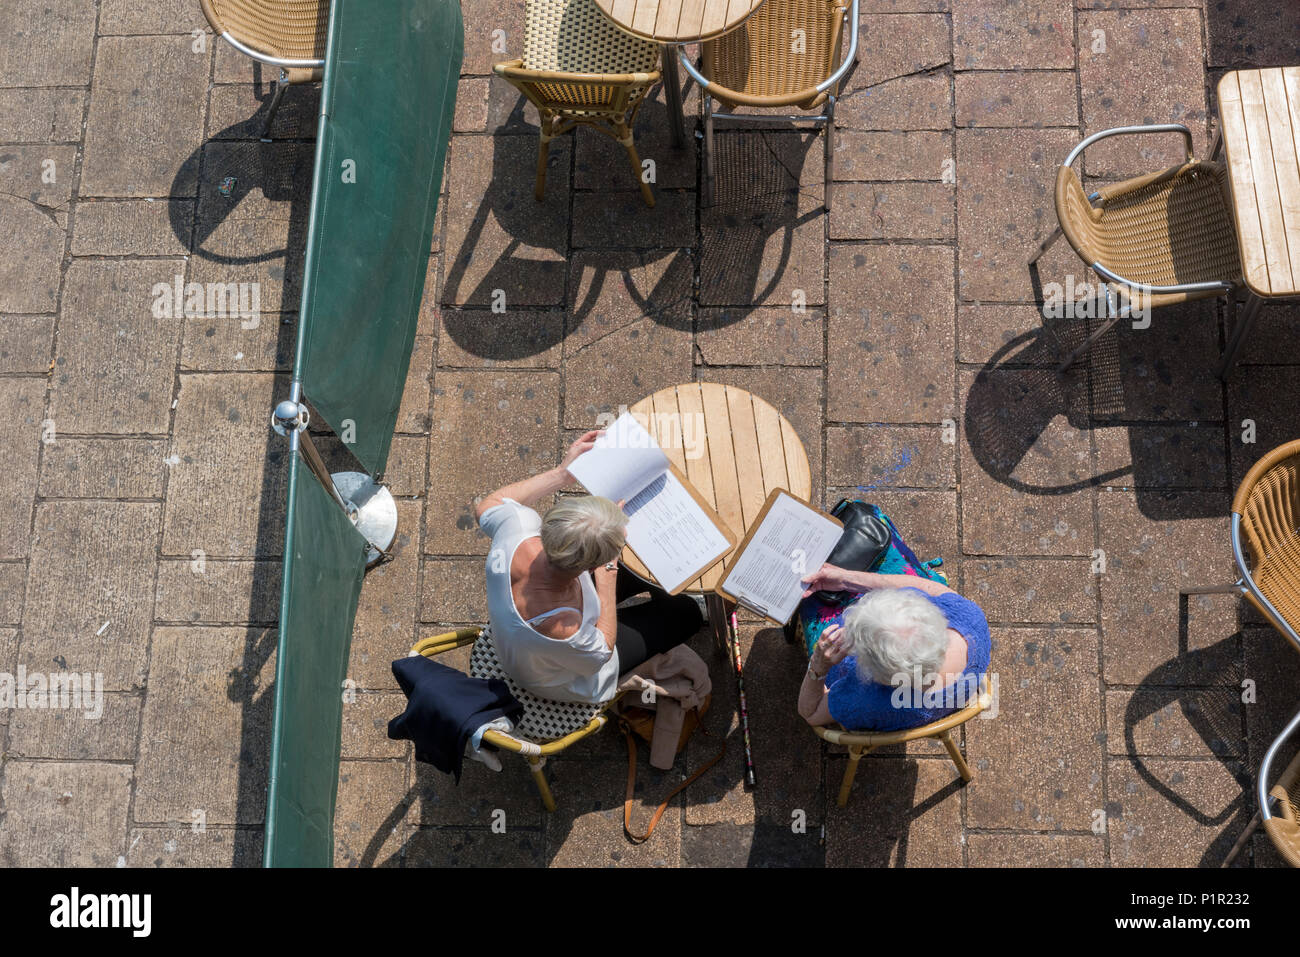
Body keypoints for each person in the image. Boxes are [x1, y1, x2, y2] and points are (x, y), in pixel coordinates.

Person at [474, 431, 704, 704]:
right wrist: (608, 576)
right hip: (559, 677)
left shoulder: (516, 528)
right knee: (687, 614)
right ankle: (689, 608)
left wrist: (561, 474)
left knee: (643, 573)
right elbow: (602, 651)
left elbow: (488, 506)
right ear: (593, 565)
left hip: (523, 641)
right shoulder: (567, 630)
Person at [795, 565, 990, 732]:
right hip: (943, 700)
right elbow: (930, 587)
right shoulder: (971, 618)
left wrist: (818, 667)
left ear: (876, 674)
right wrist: (845, 579)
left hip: (881, 705)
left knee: (803, 599)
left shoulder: (868, 699)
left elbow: (810, 713)